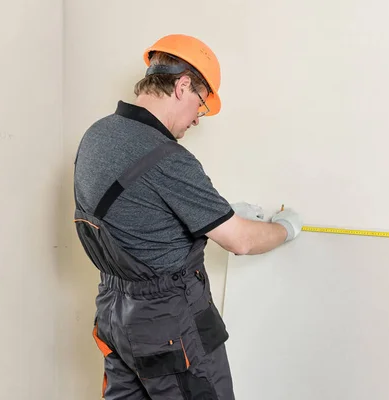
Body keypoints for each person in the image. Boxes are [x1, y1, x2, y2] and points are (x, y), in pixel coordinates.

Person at [73, 33, 302, 400]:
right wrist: (284, 229)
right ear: (182, 86)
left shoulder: (97, 135)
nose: (198, 118)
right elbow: (240, 241)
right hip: (170, 325)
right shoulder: (166, 157)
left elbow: (139, 212)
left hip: (115, 315)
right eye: (201, 104)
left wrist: (219, 213)